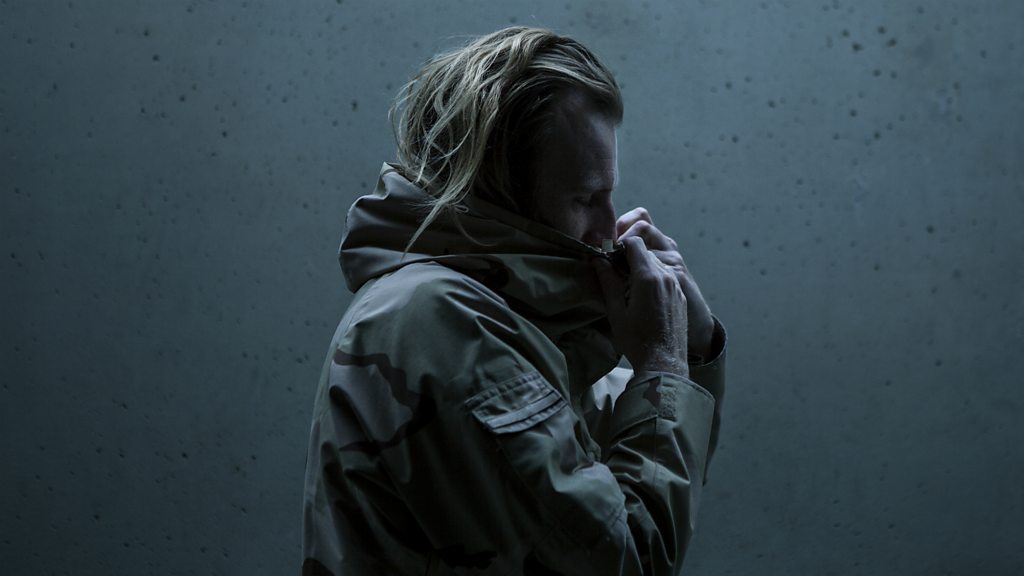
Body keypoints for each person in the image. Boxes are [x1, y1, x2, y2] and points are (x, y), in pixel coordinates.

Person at [302, 26, 727, 576]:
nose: (609, 227)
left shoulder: (517, 325)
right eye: (585, 198)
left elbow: (635, 475)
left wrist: (694, 350)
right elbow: (627, 560)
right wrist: (664, 365)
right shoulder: (443, 321)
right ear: (498, 195)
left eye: (610, 194)